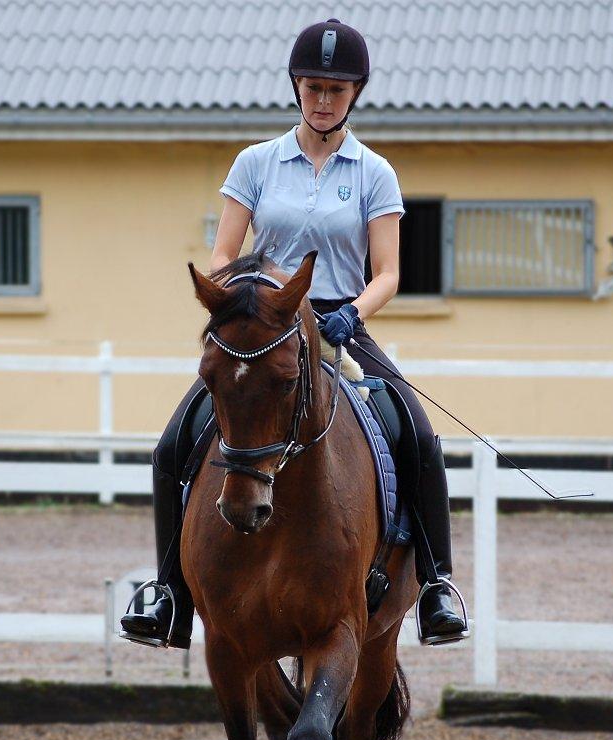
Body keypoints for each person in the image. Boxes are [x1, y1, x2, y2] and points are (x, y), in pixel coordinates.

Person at [121, 18, 468, 648]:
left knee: (418, 434)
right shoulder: (256, 162)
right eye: (314, 87)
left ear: (355, 93)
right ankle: (170, 590)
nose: (324, 99)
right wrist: (259, 301)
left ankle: (438, 586)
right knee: (173, 444)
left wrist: (353, 312)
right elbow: (225, 254)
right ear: (296, 88)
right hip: (265, 323)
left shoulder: (374, 173)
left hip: (339, 319)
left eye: (337, 89)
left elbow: (388, 271)